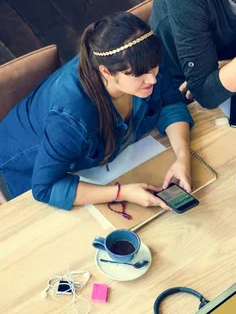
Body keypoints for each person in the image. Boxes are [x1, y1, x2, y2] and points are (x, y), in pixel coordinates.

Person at [0, 12, 194, 210]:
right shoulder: (70, 116)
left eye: (154, 68)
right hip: (20, 172)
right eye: (139, 74)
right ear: (106, 72)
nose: (152, 79)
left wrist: (182, 157)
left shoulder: (145, 61)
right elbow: (45, 187)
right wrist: (121, 193)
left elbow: (170, 103)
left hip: (113, 167)